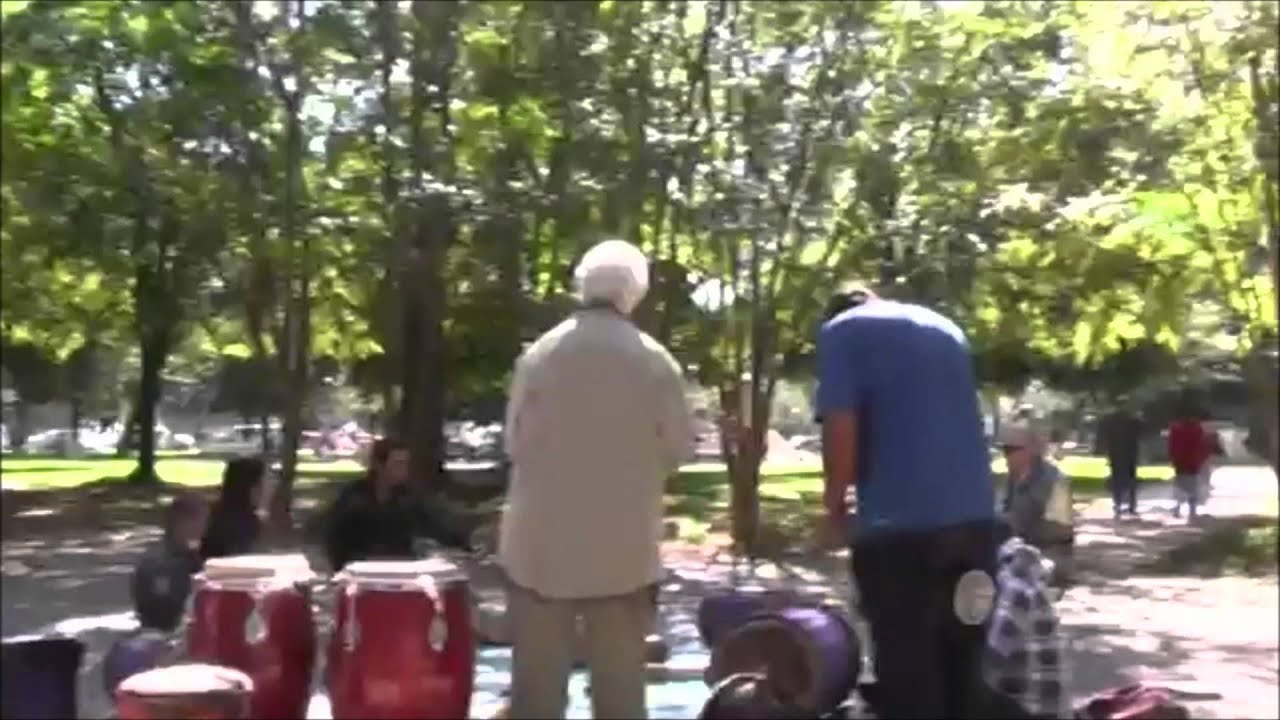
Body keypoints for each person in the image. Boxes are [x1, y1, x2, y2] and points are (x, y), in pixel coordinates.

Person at [499, 239, 694, 719]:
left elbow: (514, 445)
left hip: (539, 549)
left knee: (536, 698)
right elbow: (679, 449)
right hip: (622, 551)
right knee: (620, 697)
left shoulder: (540, 356)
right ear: (635, 292)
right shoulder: (654, 361)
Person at [815, 284, 998, 719]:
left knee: (907, 675)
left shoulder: (841, 331)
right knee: (962, 668)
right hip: (976, 528)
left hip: (900, 532)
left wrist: (834, 503)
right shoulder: (947, 329)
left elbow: (842, 425)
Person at [322, 437, 470, 572]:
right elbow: (334, 540)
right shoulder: (354, 498)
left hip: (399, 572)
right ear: (378, 465)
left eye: (406, 464)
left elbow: (435, 525)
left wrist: (465, 543)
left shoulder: (408, 498)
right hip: (362, 574)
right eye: (398, 464)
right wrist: (342, 572)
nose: (404, 470)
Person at [998, 425, 1074, 587]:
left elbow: (1056, 528)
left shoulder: (1053, 480)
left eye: (1012, 451)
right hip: (1021, 551)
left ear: (1029, 452)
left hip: (1049, 555)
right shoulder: (1014, 478)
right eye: (1005, 451)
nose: (1007, 457)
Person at [132, 493, 209, 632]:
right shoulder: (158, 563)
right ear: (180, 522)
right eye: (198, 521)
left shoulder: (191, 556)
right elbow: (161, 612)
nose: (202, 529)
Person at [200, 457, 266, 560]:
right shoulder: (244, 524)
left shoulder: (216, 514)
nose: (270, 490)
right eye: (265, 484)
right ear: (253, 489)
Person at [1167, 403, 1212, 520]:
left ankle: (1177, 508)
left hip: (1180, 460)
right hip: (1193, 461)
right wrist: (1202, 458)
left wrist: (1172, 458)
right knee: (1192, 486)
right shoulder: (1196, 428)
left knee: (1180, 484)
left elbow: (1171, 445)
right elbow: (1201, 445)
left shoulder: (1175, 428)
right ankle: (1192, 511)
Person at [1099, 403, 1143, 518]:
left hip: (1116, 454)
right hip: (1130, 454)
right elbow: (1141, 432)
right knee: (1130, 480)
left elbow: (1105, 437)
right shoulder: (1133, 420)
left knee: (1117, 480)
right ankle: (1131, 506)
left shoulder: (1110, 421)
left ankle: (1118, 504)